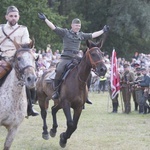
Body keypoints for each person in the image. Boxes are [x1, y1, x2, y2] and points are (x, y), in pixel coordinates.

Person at [38, 12, 109, 101]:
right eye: (76, 26)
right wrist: (45, 19)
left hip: (76, 58)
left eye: (79, 26)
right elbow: (54, 28)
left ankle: (85, 95)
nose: (77, 27)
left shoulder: (81, 35)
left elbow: (92, 34)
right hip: (66, 58)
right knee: (59, 69)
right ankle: (56, 91)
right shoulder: (65, 33)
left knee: (88, 73)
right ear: (72, 25)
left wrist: (103, 31)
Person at [0, 6, 39, 116]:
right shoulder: (0, 28)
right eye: (11, 16)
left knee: (29, 77)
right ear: (6, 17)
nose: (13, 18)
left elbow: (25, 45)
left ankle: (29, 107)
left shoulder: (23, 29)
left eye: (15, 16)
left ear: (18, 17)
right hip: (4, 58)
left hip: (19, 59)